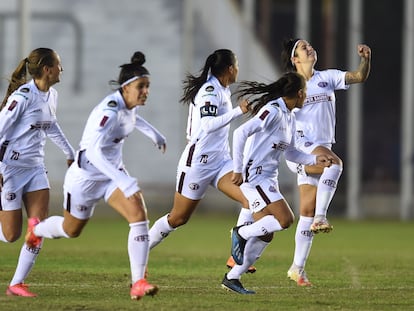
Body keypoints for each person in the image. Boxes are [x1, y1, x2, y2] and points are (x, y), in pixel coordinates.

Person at [25, 51, 166, 300]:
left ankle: (138, 282)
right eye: (141, 86)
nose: (146, 91)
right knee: (71, 230)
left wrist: (154, 133)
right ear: (125, 88)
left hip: (110, 176)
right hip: (85, 178)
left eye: (148, 86)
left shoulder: (127, 105)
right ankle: (37, 230)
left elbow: (132, 118)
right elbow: (92, 152)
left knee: (138, 214)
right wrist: (123, 180)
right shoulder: (109, 110)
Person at [221, 72, 333, 294]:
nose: (307, 96)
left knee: (266, 233)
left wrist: (314, 159)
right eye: (306, 92)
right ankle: (241, 233)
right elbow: (241, 133)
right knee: (285, 219)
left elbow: (291, 153)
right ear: (300, 93)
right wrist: (238, 168)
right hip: (255, 177)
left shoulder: (289, 116)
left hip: (268, 179)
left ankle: (232, 277)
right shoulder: (272, 110)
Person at [281, 38, 371, 286]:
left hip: (318, 149)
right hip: (302, 148)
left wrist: (365, 59)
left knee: (305, 214)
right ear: (294, 59)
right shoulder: (290, 86)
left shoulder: (327, 77)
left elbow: (359, 77)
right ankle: (323, 216)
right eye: (303, 47)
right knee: (334, 164)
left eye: (310, 45)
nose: (310, 48)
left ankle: (297, 269)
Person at [148, 49, 251, 254]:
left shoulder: (223, 89)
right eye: (237, 65)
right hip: (198, 164)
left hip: (221, 162)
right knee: (178, 218)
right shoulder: (210, 90)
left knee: (250, 199)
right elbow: (208, 125)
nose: (238, 69)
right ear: (230, 69)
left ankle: (237, 252)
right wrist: (238, 111)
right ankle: (140, 250)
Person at [0, 48, 75, 297]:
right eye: (59, 65)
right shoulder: (22, 98)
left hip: (35, 170)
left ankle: (17, 283)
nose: (61, 69)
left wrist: (70, 152)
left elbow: (51, 126)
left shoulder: (52, 95)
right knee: (11, 235)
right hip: (10, 169)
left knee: (37, 227)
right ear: (47, 69)